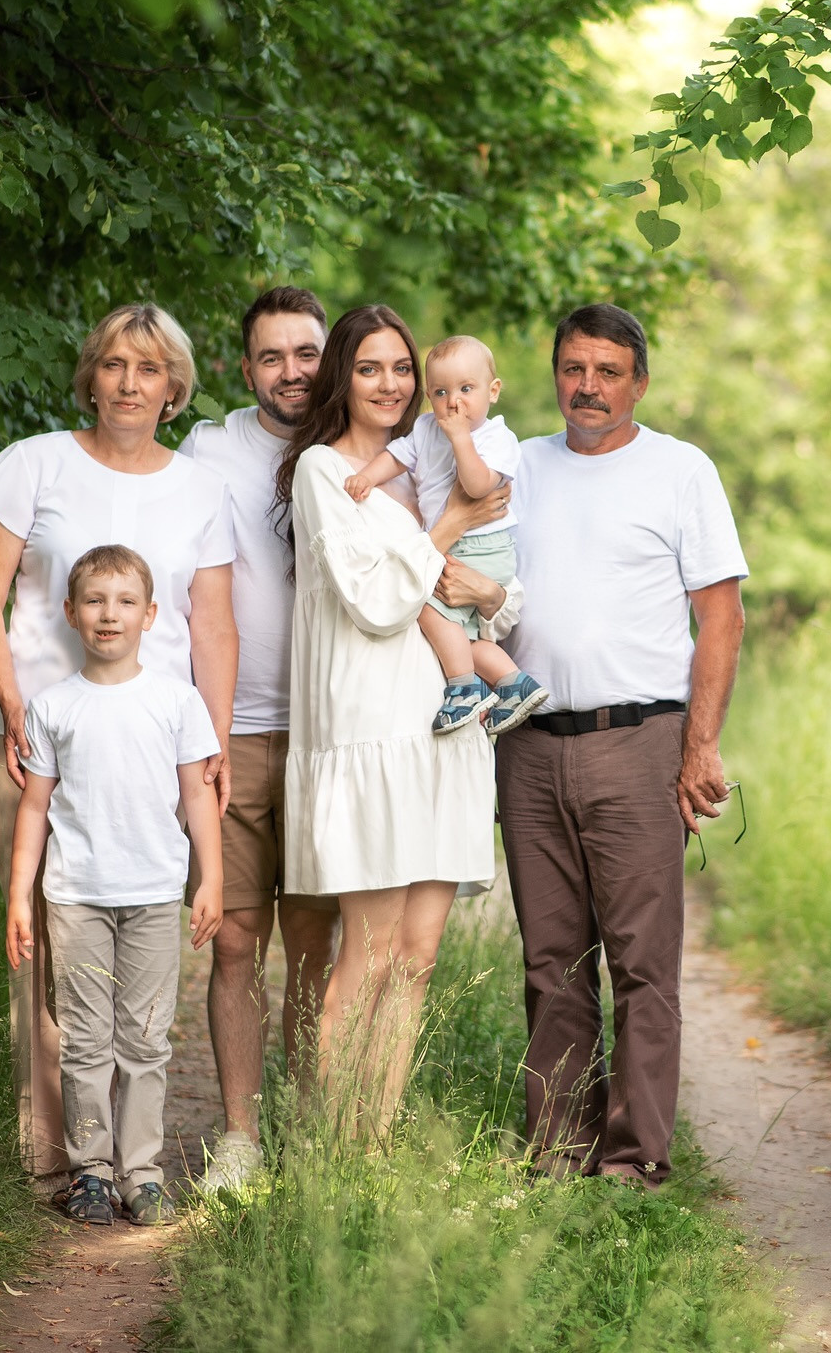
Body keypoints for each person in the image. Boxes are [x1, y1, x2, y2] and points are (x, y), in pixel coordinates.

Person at [0, 303, 239, 1181]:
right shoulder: (34, 464)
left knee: (139, 935)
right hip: (34, 746)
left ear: (174, 389)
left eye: (150, 369)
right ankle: (59, 1158)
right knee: (42, 942)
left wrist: (213, 743)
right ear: (91, 376)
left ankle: (135, 1154)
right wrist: (14, 707)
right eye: (115, 364)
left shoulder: (201, 491)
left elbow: (213, 625)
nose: (129, 383)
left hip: (154, 754)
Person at [496, 302, 747, 1186]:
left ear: (639, 382)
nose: (588, 387)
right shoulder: (516, 467)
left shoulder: (680, 471)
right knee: (551, 964)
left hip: (640, 741)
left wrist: (699, 747)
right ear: (554, 374)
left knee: (642, 963)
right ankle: (561, 1152)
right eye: (574, 368)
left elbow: (722, 616)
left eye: (608, 371)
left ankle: (635, 1158)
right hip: (528, 745)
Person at [275, 304, 519, 1135]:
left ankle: (371, 1150)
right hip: (369, 734)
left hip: (445, 736)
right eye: (370, 368)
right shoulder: (323, 473)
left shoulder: (439, 460)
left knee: (416, 960)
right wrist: (449, 527)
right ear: (342, 377)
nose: (390, 384)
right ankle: (330, 1151)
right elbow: (377, 602)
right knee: (370, 956)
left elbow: (497, 602)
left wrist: (488, 585)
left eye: (402, 368)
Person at [4, 545, 225, 1227]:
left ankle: (142, 1174)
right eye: (95, 601)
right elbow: (35, 807)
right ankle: (91, 1174)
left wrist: (212, 878)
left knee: (147, 1041)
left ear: (150, 615)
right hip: (76, 897)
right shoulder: (52, 707)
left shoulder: (178, 702)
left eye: (126, 601)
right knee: (85, 1040)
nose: (110, 614)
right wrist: (19, 897)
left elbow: (198, 796)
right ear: (71, 613)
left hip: (153, 895)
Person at [177, 285, 339, 1193]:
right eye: (272, 356)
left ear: (329, 355)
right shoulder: (209, 451)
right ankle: (240, 1139)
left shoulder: (359, 443)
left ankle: (309, 1131)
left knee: (314, 942)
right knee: (237, 939)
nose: (291, 371)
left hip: (326, 731)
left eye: (306, 352)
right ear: (246, 369)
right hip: (229, 730)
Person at [342, 333, 549, 736]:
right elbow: (397, 457)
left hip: (483, 547)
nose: (453, 402)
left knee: (425, 606)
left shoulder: (496, 438)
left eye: (466, 389)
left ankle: (463, 688)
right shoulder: (425, 428)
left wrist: (460, 439)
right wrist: (367, 476)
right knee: (461, 634)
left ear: (493, 391)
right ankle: (513, 683)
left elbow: (477, 486)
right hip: (456, 542)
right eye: (440, 392)